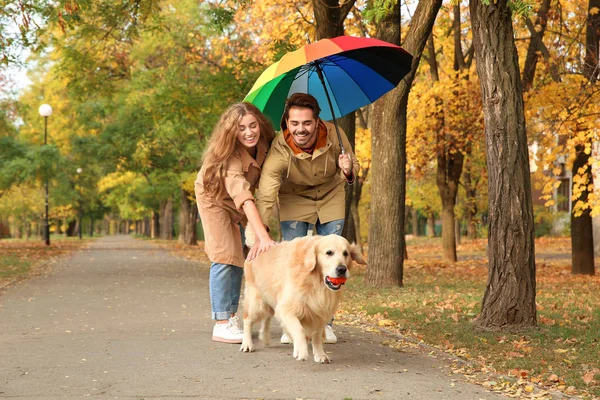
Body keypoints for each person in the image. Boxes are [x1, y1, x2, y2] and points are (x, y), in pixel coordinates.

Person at [246, 93, 360, 344]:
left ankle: (324, 324)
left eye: (306, 123)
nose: (300, 129)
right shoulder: (279, 148)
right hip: (295, 200)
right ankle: (293, 323)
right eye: (294, 123)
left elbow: (354, 168)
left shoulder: (336, 136)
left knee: (332, 261)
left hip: (330, 197)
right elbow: (265, 194)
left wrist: (348, 169)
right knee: (296, 263)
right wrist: (258, 234)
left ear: (317, 121)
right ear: (286, 122)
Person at [195, 102, 277, 344]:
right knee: (225, 254)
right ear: (232, 131)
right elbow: (243, 197)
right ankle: (222, 322)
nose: (249, 132)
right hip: (215, 198)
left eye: (253, 126)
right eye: (241, 128)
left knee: (241, 256)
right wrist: (263, 237)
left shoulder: (266, 143)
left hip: (241, 200)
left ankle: (232, 317)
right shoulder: (229, 156)